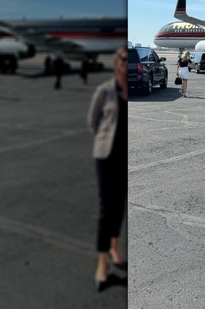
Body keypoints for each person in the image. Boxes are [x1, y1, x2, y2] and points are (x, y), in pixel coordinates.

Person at [86, 45, 129, 292]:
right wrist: (105, 143)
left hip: (125, 157)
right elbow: (93, 122)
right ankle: (102, 264)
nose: (125, 63)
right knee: (106, 209)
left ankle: (114, 248)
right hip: (106, 157)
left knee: (119, 206)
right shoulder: (104, 91)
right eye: (122, 59)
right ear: (116, 62)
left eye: (127, 59)